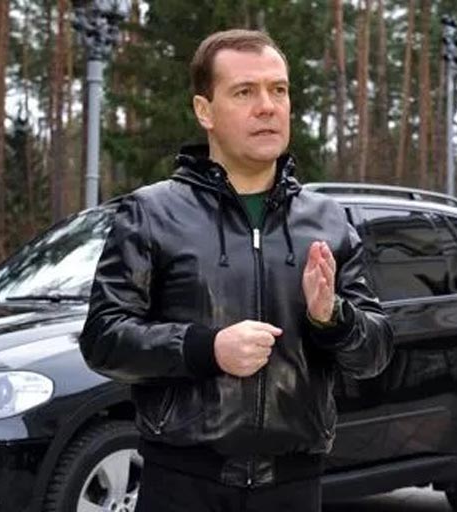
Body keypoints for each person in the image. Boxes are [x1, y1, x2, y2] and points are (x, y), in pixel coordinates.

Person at [79, 29, 393, 512]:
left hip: (293, 487)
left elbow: (376, 353)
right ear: (204, 111)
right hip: (183, 484)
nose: (267, 106)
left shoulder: (327, 221)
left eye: (278, 90)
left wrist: (333, 317)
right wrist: (206, 348)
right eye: (245, 92)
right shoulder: (152, 214)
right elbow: (104, 340)